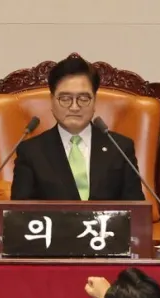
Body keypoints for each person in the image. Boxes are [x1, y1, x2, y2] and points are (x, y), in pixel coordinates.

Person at [10, 55, 144, 202]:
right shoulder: (30, 152)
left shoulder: (120, 148)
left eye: (83, 98)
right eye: (65, 98)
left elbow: (136, 212)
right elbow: (19, 215)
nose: (74, 107)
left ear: (94, 101)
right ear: (52, 101)